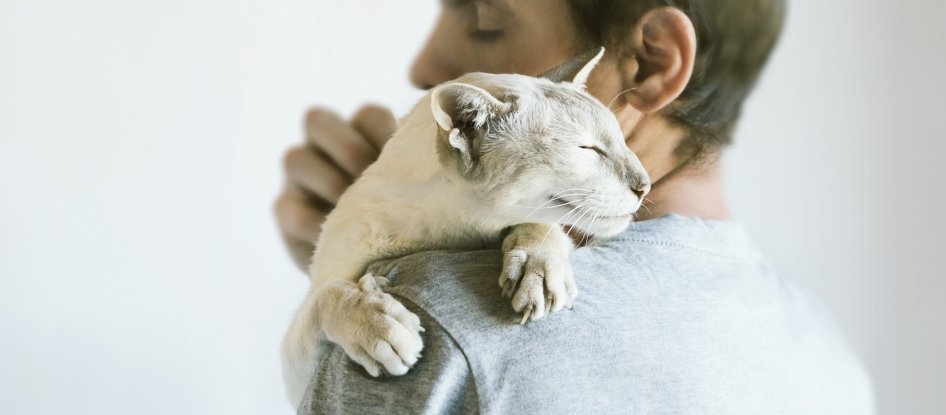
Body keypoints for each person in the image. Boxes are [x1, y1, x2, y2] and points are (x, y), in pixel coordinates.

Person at [275, 0, 874, 413]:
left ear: (651, 60)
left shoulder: (431, 314)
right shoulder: (828, 351)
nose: (425, 66)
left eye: (486, 21)